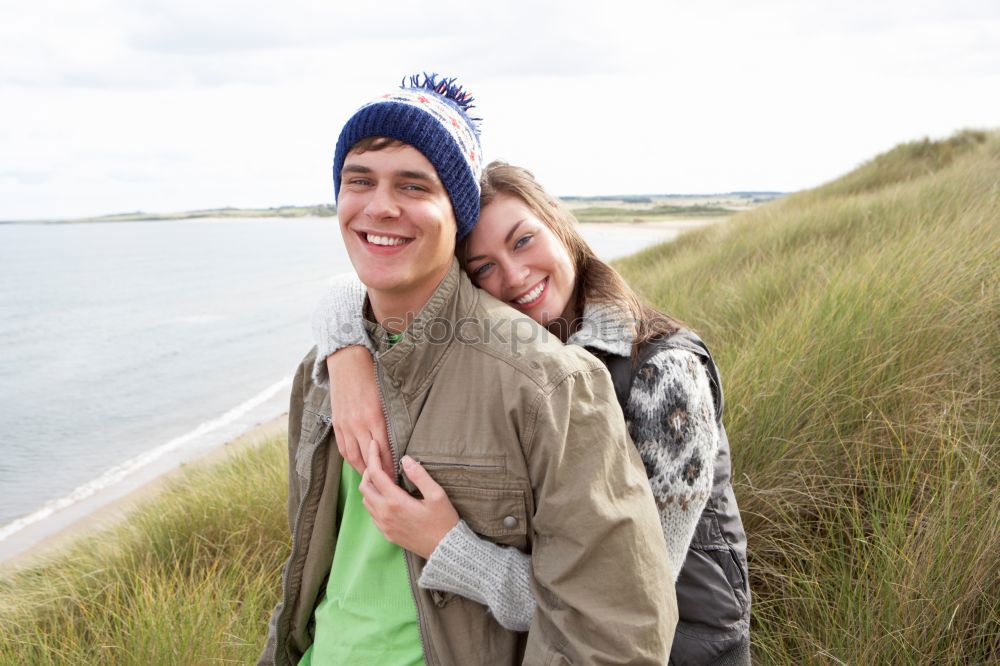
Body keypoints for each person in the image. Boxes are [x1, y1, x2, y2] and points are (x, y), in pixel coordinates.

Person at [260, 74, 677, 666]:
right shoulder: (322, 372)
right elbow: (314, 568)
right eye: (360, 181)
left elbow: (613, 630)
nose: (380, 205)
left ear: (456, 214)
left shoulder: (550, 384)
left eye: (413, 185)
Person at [312, 160, 752, 664]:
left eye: (523, 241)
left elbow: (627, 598)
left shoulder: (664, 376)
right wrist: (345, 349)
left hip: (685, 649)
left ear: (560, 226)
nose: (514, 276)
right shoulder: (520, 365)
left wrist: (446, 545)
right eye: (483, 268)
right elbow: (352, 287)